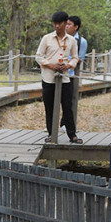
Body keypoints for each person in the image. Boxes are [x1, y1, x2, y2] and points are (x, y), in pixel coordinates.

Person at [34, 11, 81, 144]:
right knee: (49, 107)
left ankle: (72, 135)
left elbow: (75, 57)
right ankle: (51, 133)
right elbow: (38, 56)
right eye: (55, 23)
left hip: (64, 77)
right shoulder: (47, 38)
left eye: (59, 23)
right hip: (49, 77)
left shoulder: (71, 40)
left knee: (67, 107)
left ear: (65, 23)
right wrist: (50, 65)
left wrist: (68, 66)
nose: (57, 26)